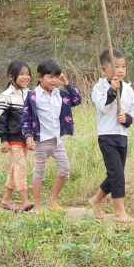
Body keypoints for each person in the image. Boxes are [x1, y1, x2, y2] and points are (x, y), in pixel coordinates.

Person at [21, 59, 82, 213]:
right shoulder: (33, 96)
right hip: (41, 142)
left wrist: (67, 84)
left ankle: (52, 199)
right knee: (39, 174)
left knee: (65, 169)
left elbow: (77, 100)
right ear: (40, 77)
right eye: (50, 77)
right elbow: (26, 118)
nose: (54, 80)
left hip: (57, 141)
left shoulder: (60, 95)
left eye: (56, 76)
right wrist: (28, 137)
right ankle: (38, 205)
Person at [88, 48, 134, 223]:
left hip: (122, 136)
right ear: (104, 69)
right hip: (107, 136)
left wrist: (127, 119)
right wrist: (111, 90)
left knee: (115, 174)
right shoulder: (99, 88)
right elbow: (102, 107)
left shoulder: (129, 89)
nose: (121, 70)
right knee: (117, 174)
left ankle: (95, 201)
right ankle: (120, 213)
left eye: (123, 66)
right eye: (116, 66)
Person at [0, 60, 33, 212]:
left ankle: (6, 199)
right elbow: (0, 119)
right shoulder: (6, 96)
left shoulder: (30, 94)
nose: (26, 77)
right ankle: (24, 200)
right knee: (21, 165)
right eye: (22, 74)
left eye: (28, 74)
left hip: (26, 137)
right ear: (12, 77)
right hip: (13, 137)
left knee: (15, 167)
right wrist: (3, 140)